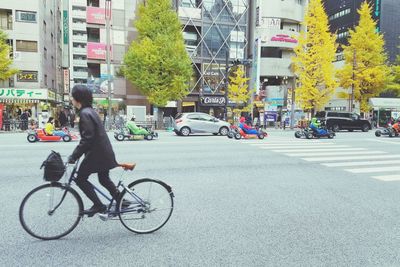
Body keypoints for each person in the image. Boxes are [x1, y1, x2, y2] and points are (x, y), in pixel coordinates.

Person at [67, 85, 121, 216]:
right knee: (104, 179)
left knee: (80, 179)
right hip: (103, 152)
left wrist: (73, 156)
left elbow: (87, 139)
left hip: (97, 154)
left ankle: (98, 205)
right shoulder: (90, 111)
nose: (71, 99)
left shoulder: (85, 114)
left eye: (72, 96)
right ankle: (121, 200)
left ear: (77, 98)